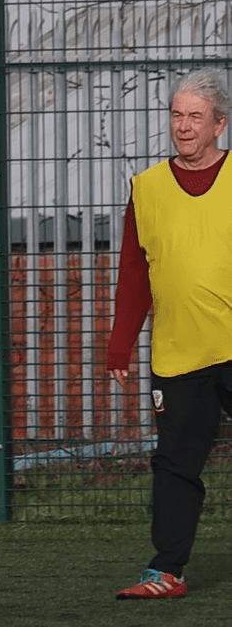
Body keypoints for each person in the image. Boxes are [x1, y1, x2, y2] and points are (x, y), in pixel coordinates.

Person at [107, 68, 232, 601]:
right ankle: (167, 572)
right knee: (175, 466)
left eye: (195, 117)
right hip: (178, 354)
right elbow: (135, 269)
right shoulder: (148, 187)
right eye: (177, 115)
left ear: (219, 125)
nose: (183, 126)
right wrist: (121, 341)